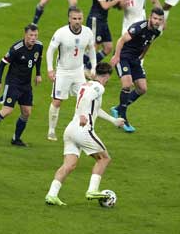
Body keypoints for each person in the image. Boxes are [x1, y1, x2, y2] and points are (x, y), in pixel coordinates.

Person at [45, 62, 125, 206]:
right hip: (83, 129)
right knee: (104, 159)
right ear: (106, 76)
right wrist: (83, 115)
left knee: (69, 165)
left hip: (70, 130)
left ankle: (52, 194)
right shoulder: (98, 87)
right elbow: (87, 99)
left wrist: (113, 120)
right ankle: (92, 190)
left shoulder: (85, 85)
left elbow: (94, 108)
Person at [0, 25, 43, 147]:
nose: (33, 38)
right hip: (13, 83)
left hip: (26, 85)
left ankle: (16, 139)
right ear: (25, 35)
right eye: (31, 35)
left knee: (26, 112)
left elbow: (38, 59)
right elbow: (2, 64)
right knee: (7, 111)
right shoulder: (16, 49)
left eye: (35, 35)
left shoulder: (39, 46)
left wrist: (38, 74)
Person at [110, 8, 164, 132]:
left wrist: (142, 56)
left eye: (160, 20)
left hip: (134, 59)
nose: (157, 21)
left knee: (142, 89)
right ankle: (122, 117)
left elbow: (148, 43)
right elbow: (121, 40)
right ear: (150, 17)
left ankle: (117, 108)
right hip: (123, 56)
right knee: (127, 84)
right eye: (155, 18)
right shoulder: (139, 27)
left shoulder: (156, 32)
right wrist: (116, 56)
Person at [46, 8, 96, 141]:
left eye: (80, 18)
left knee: (85, 99)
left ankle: (84, 127)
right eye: (74, 18)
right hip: (63, 72)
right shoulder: (61, 32)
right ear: (69, 19)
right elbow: (50, 51)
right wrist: (50, 69)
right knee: (57, 101)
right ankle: (51, 130)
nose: (77, 21)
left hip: (79, 71)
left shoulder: (87, 32)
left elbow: (92, 50)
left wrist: (93, 67)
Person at [83, 0, 127, 70]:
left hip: (103, 21)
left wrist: (123, 4)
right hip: (95, 20)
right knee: (93, 47)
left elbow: (116, 5)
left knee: (108, 47)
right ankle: (84, 68)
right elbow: (105, 5)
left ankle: (87, 67)